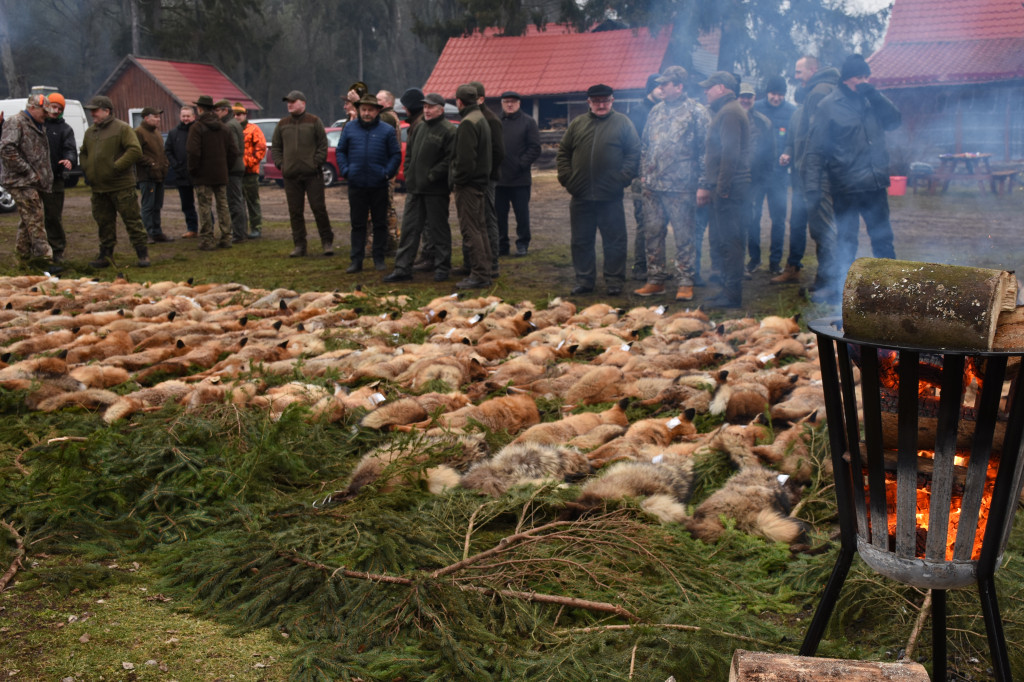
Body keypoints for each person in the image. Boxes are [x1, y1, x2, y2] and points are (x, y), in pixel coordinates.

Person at [804, 54, 901, 299]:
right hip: (846, 186)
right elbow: (815, 149)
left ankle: (890, 289)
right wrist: (812, 188)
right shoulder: (828, 105)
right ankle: (844, 292)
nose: (865, 81)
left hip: (875, 184)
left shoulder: (873, 101)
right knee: (846, 242)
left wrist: (875, 95)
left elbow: (894, 121)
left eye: (868, 76)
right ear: (848, 79)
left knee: (883, 239)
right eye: (860, 77)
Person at [556, 83, 640, 296]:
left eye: (605, 101)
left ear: (612, 101)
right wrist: (567, 178)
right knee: (581, 241)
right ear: (589, 103)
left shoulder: (623, 123)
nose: (601, 105)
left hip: (610, 195)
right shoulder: (578, 124)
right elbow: (564, 152)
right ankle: (584, 279)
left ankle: (614, 280)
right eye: (596, 101)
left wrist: (622, 178)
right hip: (581, 194)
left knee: (615, 240)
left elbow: (633, 153)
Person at [633, 66, 709, 302]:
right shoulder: (655, 111)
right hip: (653, 186)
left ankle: (685, 281)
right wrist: (644, 174)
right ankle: (656, 280)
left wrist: (703, 184)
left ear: (679, 86)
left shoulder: (697, 112)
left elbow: (706, 150)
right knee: (652, 233)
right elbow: (645, 145)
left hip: (682, 186)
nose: (661, 88)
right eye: (660, 84)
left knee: (684, 235)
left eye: (666, 84)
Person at [782, 55, 840, 301]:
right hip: (819, 173)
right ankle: (825, 279)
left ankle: (833, 284)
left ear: (813, 69)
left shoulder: (819, 92)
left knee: (825, 228)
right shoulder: (824, 90)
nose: (796, 76)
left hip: (819, 175)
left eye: (799, 71)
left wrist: (812, 176)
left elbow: (817, 141)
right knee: (820, 228)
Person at [383, 92, 456, 283]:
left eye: (431, 107)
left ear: (440, 109)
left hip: (436, 190)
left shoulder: (448, 131)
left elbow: (449, 160)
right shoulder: (419, 127)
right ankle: (402, 268)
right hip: (415, 189)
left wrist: (432, 175)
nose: (427, 110)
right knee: (409, 230)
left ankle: (442, 267)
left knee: (438, 230)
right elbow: (410, 155)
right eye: (425, 107)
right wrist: (408, 173)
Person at [697, 72, 751, 309]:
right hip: (727, 186)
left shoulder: (729, 112)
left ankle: (732, 295)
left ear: (720, 87)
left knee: (731, 241)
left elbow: (730, 153)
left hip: (730, 188)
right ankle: (728, 291)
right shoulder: (727, 109)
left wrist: (722, 188)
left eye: (708, 88)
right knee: (725, 240)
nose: (705, 92)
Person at [79, 95, 150, 268]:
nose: (92, 114)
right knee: (104, 223)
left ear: (106, 111)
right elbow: (83, 152)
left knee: (132, 220)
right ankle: (105, 255)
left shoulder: (122, 129)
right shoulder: (90, 132)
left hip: (121, 186)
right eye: (91, 111)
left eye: (95, 111)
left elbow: (134, 150)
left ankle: (142, 254)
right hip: (99, 188)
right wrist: (88, 168)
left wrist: (115, 167)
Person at [337, 93, 401, 273]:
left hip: (378, 184)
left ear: (377, 111)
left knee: (380, 223)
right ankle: (356, 260)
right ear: (359, 110)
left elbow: (395, 154)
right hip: (356, 183)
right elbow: (341, 151)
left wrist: (387, 172)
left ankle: (378, 258)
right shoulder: (349, 129)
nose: (366, 113)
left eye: (370, 110)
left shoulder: (386, 130)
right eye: (363, 109)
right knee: (358, 224)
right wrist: (346, 170)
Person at [271, 90, 333, 257]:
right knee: (295, 211)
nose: (289, 104)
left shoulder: (314, 121)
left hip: (313, 175)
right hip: (291, 176)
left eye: (293, 101)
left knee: (318, 208)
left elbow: (322, 145)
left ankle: (327, 241)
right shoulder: (282, 124)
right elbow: (276, 147)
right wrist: (281, 164)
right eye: (288, 102)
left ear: (303, 103)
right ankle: (299, 245)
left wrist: (315, 163)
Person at [0, 94, 58, 271]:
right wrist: (28, 171)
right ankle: (44, 260)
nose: (46, 115)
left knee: (27, 222)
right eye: (43, 111)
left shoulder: (37, 124)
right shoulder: (16, 122)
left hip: (30, 181)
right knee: (35, 218)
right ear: (32, 107)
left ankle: (22, 260)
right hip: (20, 181)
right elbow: (6, 149)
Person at [754, 75, 802, 283]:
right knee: (752, 217)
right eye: (773, 93)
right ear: (767, 93)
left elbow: (793, 140)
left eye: (780, 94)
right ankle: (754, 260)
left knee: (779, 220)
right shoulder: (755, 109)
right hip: (757, 174)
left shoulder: (791, 112)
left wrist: (788, 154)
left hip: (779, 176)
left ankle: (775, 262)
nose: (776, 98)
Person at [450, 83, 493, 289]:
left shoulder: (468, 123)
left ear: (459, 101)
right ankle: (485, 269)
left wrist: (457, 179)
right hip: (479, 182)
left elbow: (466, 161)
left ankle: (479, 274)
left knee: (471, 229)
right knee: (480, 227)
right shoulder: (481, 119)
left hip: (468, 185)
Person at [186, 95, 237, 252]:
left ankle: (207, 239)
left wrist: (193, 170)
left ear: (200, 109)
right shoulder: (224, 127)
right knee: (223, 206)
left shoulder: (197, 128)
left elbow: (193, 152)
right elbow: (233, 152)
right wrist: (225, 167)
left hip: (203, 175)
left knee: (204, 207)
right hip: (221, 174)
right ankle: (227, 237)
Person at [495, 91, 540, 257]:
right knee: (499, 216)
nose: (509, 105)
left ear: (519, 103)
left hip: (520, 179)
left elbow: (535, 147)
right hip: (499, 179)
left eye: (513, 102)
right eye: (506, 101)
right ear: (501, 103)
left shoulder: (528, 122)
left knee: (522, 215)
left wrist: (521, 164)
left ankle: (523, 243)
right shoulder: (496, 122)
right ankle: (501, 244)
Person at [627, 74, 663, 280]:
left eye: (663, 86)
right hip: (642, 176)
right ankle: (640, 265)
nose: (661, 90)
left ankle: (658, 265)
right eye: (657, 87)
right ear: (650, 89)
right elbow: (633, 145)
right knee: (644, 222)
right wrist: (637, 174)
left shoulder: (665, 110)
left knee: (659, 223)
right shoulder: (639, 112)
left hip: (663, 176)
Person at [468, 81, 504, 278]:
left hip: (486, 179)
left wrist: (487, 173)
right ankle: (473, 261)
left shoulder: (490, 120)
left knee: (488, 219)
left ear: (481, 99)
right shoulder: (474, 118)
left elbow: (498, 152)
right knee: (473, 221)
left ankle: (493, 263)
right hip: (474, 179)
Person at [737, 83, 774, 275]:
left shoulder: (763, 122)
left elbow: (770, 152)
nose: (745, 100)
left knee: (753, 219)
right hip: (735, 180)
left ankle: (755, 258)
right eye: (742, 96)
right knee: (737, 220)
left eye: (749, 97)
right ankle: (737, 261)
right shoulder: (731, 118)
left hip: (755, 181)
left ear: (753, 99)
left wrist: (763, 180)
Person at [41, 92, 78, 263]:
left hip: (55, 179)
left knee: (53, 217)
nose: (55, 111)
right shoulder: (37, 125)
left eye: (59, 108)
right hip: (34, 179)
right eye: (52, 106)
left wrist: (69, 160)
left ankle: (57, 251)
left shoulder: (65, 129)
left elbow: (70, 149)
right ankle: (36, 252)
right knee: (33, 217)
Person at [134, 106, 172, 244]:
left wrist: (165, 163)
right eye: (155, 117)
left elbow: (161, 152)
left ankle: (157, 232)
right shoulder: (138, 132)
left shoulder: (156, 132)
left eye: (158, 117)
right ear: (146, 118)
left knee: (157, 205)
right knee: (148, 206)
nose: (158, 119)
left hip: (159, 175)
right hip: (147, 176)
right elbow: (136, 154)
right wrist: (151, 164)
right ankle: (147, 233)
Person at [215, 99, 247, 243]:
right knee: (237, 200)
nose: (216, 113)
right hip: (236, 166)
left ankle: (239, 234)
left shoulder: (229, 126)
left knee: (234, 201)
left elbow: (232, 150)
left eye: (218, 110)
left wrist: (224, 166)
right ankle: (240, 231)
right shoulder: (233, 124)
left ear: (225, 111)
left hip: (233, 168)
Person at [165, 105, 200, 238]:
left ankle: (209, 228)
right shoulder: (173, 133)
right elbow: (168, 150)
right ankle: (192, 229)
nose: (185, 118)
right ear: (180, 116)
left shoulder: (199, 130)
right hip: (181, 174)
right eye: (183, 116)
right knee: (186, 204)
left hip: (198, 174)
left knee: (204, 203)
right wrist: (175, 165)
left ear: (193, 117)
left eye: (188, 116)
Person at [234, 103, 266, 238]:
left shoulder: (253, 129)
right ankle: (239, 229)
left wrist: (247, 164)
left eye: (239, 114)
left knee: (252, 201)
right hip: (234, 173)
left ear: (245, 115)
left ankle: (256, 228)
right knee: (237, 203)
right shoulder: (230, 129)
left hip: (250, 173)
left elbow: (261, 149)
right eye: (234, 114)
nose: (236, 117)